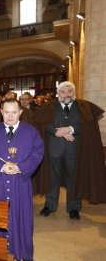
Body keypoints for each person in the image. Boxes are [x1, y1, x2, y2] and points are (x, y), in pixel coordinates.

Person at [34, 81, 106, 220]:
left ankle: (73, 208)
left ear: (73, 92)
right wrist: (58, 131)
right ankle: (50, 205)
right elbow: (43, 124)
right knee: (52, 179)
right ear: (58, 93)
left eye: (69, 92)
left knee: (74, 179)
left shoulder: (83, 107)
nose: (66, 94)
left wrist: (70, 129)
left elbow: (87, 125)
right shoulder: (49, 107)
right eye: (63, 92)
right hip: (54, 150)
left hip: (75, 151)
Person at [0, 98, 44, 261]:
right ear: (1, 112)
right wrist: (0, 166)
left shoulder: (31, 132)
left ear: (20, 112)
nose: (10, 116)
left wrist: (20, 167)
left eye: (14, 112)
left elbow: (37, 153)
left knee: (21, 217)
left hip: (21, 181)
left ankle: (21, 252)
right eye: (7, 112)